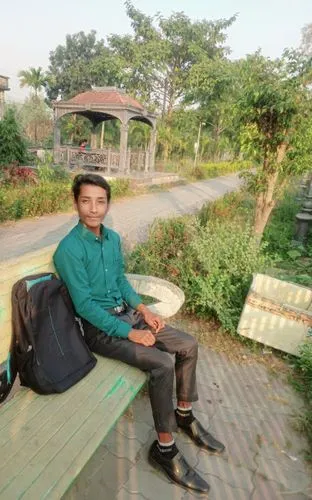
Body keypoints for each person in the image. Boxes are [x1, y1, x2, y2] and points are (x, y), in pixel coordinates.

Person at [53, 174, 225, 495]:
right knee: (161, 363)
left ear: (108, 204)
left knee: (188, 344)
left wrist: (143, 310)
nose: (93, 209)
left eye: (100, 201)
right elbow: (85, 306)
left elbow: (120, 282)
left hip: (129, 316)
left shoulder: (113, 238)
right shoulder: (69, 250)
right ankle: (164, 449)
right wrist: (130, 334)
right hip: (100, 330)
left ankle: (184, 415)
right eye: (86, 201)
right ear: (75, 202)